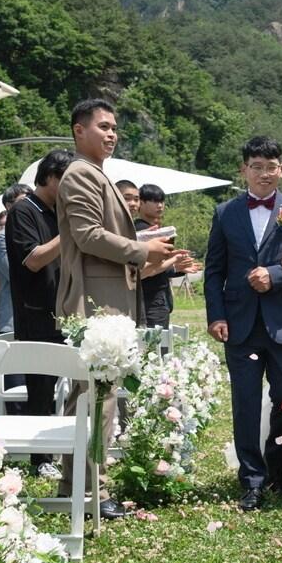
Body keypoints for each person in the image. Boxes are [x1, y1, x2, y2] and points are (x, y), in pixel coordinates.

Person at [57, 102, 182, 517]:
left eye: (115, 128)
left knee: (94, 394)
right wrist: (141, 250)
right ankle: (92, 489)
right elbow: (87, 235)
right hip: (96, 299)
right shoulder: (80, 174)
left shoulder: (97, 173)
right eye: (103, 126)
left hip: (109, 297)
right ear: (79, 131)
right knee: (96, 396)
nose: (112, 134)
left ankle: (79, 484)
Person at [205, 135, 282, 510]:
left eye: (271, 167)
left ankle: (277, 469)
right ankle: (252, 480)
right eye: (256, 167)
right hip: (239, 324)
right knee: (245, 402)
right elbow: (214, 270)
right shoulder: (225, 212)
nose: (264, 174)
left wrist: (275, 274)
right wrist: (216, 315)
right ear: (244, 170)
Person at [5, 149, 73, 423]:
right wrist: (70, 230)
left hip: (63, 314)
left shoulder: (56, 212)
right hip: (36, 318)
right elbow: (33, 260)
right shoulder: (24, 210)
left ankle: (63, 443)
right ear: (51, 177)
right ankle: (37, 449)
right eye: (69, 181)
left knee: (66, 390)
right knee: (41, 395)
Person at [134, 182, 198, 329]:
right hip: (150, 298)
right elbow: (147, 268)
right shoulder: (141, 231)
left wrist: (177, 268)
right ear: (141, 203)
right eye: (154, 201)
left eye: (162, 201)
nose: (160, 205)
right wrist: (174, 265)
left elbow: (159, 266)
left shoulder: (151, 229)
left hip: (157, 298)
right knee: (155, 341)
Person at [0, 182, 30, 335]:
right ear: (9, 206)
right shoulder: (2, 238)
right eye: (24, 200)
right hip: (12, 319)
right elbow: (13, 273)